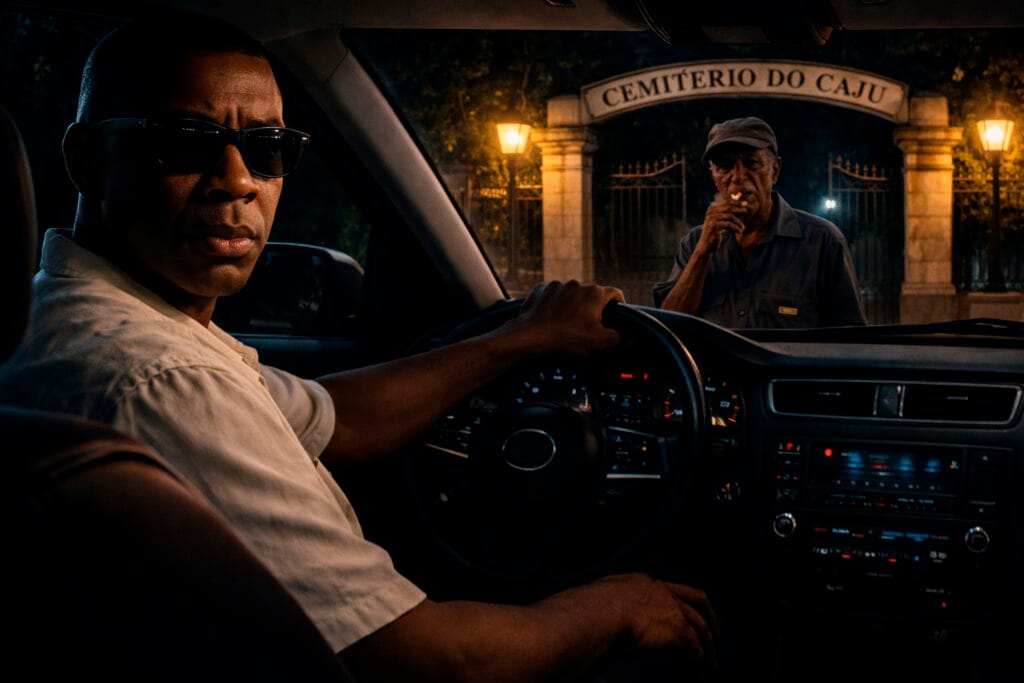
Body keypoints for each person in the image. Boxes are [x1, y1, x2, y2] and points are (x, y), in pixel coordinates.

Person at [0, 10, 718, 683]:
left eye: (268, 148)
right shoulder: (165, 380)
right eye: (185, 140)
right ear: (87, 160)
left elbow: (330, 414)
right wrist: (616, 607)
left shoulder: (79, 317)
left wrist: (521, 337)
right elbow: (424, 659)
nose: (238, 181)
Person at [653, 116, 868, 328]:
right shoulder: (694, 244)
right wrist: (702, 253)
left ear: (774, 171)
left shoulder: (822, 241)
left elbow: (850, 340)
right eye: (725, 166)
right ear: (714, 177)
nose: (737, 177)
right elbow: (668, 327)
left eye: (751, 163)